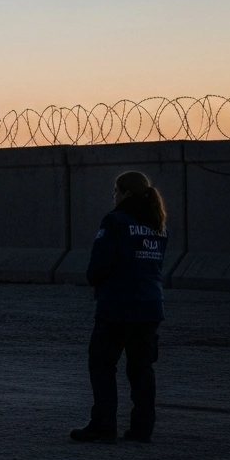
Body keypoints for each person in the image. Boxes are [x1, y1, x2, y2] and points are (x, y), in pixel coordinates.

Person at [72, 171, 169, 444]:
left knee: (102, 365)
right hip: (151, 305)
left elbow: (100, 264)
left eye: (115, 191)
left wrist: (95, 280)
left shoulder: (115, 221)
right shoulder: (159, 224)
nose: (113, 196)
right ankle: (142, 429)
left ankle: (103, 426)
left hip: (118, 304)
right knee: (141, 369)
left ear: (125, 193)